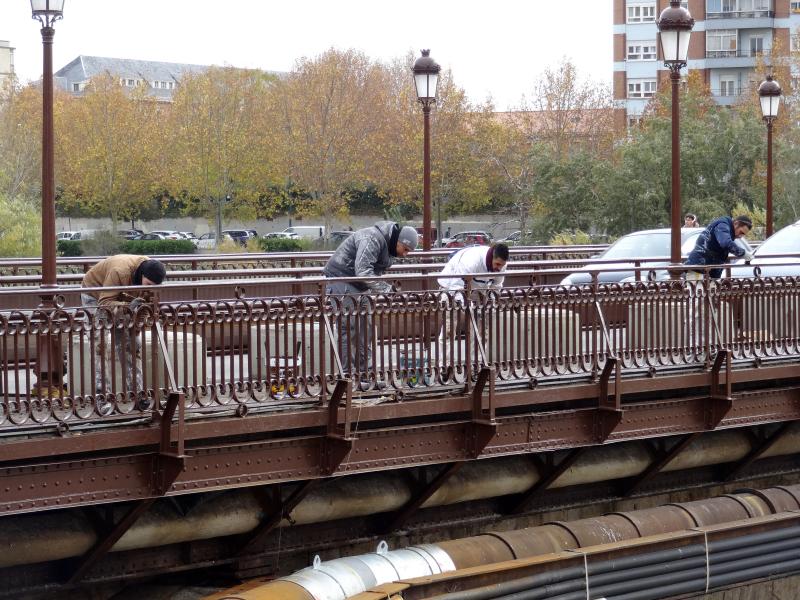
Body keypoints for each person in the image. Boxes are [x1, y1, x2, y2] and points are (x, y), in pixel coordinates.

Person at [323, 222, 418, 384]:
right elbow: (363, 271)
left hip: (359, 284)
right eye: (406, 249)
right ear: (398, 242)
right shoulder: (372, 238)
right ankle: (348, 378)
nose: (405, 254)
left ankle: (365, 375)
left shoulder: (388, 246)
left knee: (365, 330)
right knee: (349, 329)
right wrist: (386, 289)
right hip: (341, 278)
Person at [81, 255, 167, 415]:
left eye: (154, 287)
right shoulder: (119, 270)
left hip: (124, 300)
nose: (150, 289)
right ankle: (102, 397)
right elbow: (104, 303)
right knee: (99, 344)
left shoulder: (151, 282)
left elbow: (145, 308)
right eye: (148, 285)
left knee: (131, 345)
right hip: (95, 294)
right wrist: (128, 307)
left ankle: (138, 394)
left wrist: (135, 329)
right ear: (141, 275)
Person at [437, 243, 510, 367]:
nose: (498, 268)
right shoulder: (472, 260)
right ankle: (445, 364)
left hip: (478, 289)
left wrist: (491, 301)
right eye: (497, 264)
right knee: (449, 328)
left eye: (501, 265)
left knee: (481, 329)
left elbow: (496, 286)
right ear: (492, 257)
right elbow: (456, 286)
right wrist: (465, 305)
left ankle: (475, 364)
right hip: (451, 286)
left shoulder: (501, 266)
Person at [685, 215, 752, 280]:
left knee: (702, 287)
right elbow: (725, 243)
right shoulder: (722, 224)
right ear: (736, 223)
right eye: (741, 232)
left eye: (743, 234)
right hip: (699, 268)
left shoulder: (725, 226)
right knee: (696, 287)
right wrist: (743, 253)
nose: (740, 236)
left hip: (704, 268)